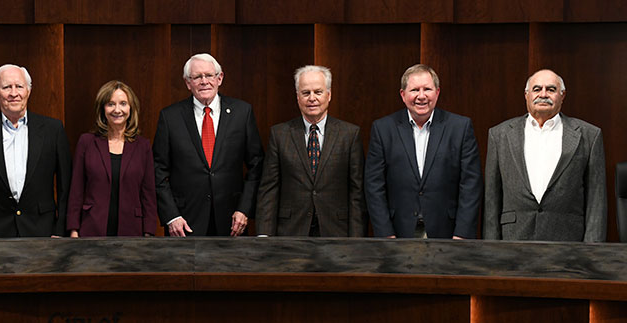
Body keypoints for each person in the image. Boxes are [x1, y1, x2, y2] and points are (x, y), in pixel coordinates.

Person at [484, 69, 606, 242]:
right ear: (526, 95)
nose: (543, 94)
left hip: (568, 245)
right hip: (513, 242)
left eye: (551, 89)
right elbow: (491, 201)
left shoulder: (589, 135)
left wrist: (592, 253)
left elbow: (597, 202)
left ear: (562, 95)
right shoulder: (500, 135)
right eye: (536, 89)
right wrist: (491, 250)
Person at [364, 64, 482, 239]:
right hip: (398, 233)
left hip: (448, 233)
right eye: (414, 90)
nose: (421, 96)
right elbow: (374, 185)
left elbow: (470, 184)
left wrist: (461, 234)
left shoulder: (460, 127)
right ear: (403, 95)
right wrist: (385, 234)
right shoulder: (383, 129)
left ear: (437, 92)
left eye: (427, 89)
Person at [152, 53, 264, 237]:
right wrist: (172, 216)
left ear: (219, 78)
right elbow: (158, 170)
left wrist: (244, 209)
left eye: (209, 75)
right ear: (188, 83)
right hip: (184, 223)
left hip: (232, 221)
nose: (204, 81)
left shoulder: (242, 113)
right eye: (197, 77)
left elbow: (257, 165)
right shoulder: (170, 117)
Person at [256, 65, 366, 237]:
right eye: (306, 93)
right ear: (297, 97)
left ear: (329, 95)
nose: (312, 98)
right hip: (291, 231)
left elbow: (356, 192)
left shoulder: (349, 134)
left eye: (318, 92)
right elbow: (269, 189)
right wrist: (263, 235)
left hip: (336, 231)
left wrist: (357, 238)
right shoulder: (280, 134)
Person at [0, 64, 71, 237]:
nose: (14, 93)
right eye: (7, 87)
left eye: (19, 86)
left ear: (28, 91)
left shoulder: (53, 129)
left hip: (43, 232)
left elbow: (65, 186)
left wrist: (60, 230)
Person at [67, 81, 157, 236]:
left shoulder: (143, 146)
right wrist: (73, 230)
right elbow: (76, 189)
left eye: (123, 103)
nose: (117, 110)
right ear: (103, 108)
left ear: (131, 108)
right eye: (110, 104)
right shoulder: (87, 142)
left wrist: (148, 233)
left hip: (132, 232)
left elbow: (148, 194)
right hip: (91, 228)